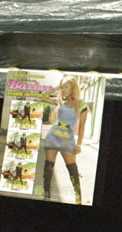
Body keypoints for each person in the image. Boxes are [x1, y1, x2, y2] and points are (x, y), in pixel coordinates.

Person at [42, 75, 88, 204]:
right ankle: (46, 194)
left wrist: (79, 144)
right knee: (49, 168)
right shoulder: (60, 101)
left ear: (73, 87)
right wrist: (58, 87)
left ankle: (78, 196)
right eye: (62, 87)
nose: (63, 89)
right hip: (52, 136)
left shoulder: (81, 104)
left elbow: (82, 127)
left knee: (72, 168)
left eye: (66, 86)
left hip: (67, 140)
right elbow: (43, 97)